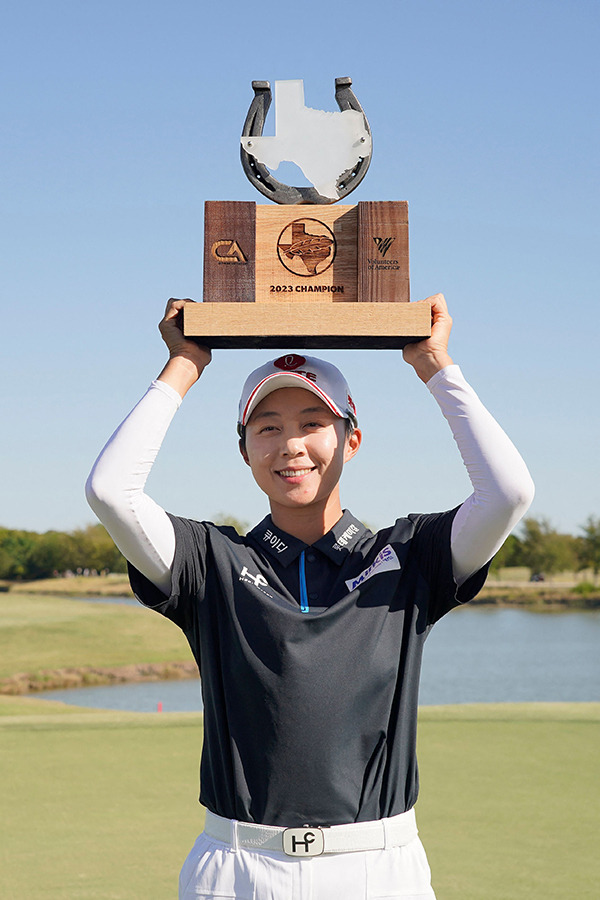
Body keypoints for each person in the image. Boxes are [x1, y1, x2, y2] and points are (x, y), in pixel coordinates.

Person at [86, 293, 534, 899]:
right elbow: (112, 490)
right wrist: (185, 365)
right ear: (244, 451)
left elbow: (508, 493)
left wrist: (434, 365)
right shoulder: (211, 562)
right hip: (237, 864)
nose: (290, 445)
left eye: (312, 424)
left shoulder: (410, 556)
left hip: (377, 866)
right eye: (267, 428)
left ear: (351, 440)